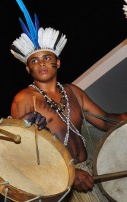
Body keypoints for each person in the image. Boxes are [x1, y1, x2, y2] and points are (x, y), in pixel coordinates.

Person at [10, 0, 127, 201]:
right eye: (34, 61)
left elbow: (105, 120)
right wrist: (70, 174)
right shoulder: (25, 98)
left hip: (89, 174)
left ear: (58, 62)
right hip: (58, 182)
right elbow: (24, 150)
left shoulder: (72, 92)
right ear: (28, 69)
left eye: (47, 58)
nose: (42, 63)